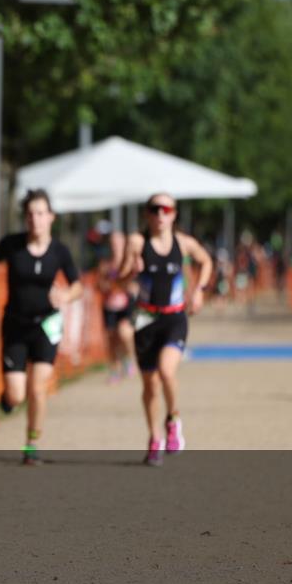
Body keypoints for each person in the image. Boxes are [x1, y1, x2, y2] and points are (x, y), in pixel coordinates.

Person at [0, 189, 83, 465]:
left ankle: (31, 443)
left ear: (51, 217)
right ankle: (9, 399)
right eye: (30, 214)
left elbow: (77, 286)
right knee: (16, 394)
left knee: (38, 389)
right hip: (15, 325)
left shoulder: (60, 251)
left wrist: (65, 296)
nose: (35, 219)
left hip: (46, 327)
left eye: (40, 213)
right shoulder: (11, 244)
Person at [118, 193, 212, 466]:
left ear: (174, 214)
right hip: (145, 318)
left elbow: (205, 261)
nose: (161, 214)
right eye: (155, 209)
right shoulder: (137, 242)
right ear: (147, 214)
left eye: (166, 209)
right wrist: (131, 273)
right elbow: (120, 282)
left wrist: (199, 291)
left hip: (174, 317)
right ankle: (154, 438)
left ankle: (173, 419)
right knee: (149, 385)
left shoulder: (182, 243)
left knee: (166, 371)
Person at [97, 229, 136, 383]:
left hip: (126, 304)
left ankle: (128, 358)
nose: (115, 246)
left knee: (125, 333)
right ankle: (115, 370)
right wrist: (106, 285)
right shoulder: (105, 264)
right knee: (112, 340)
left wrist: (129, 286)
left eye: (118, 242)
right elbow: (99, 284)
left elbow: (135, 282)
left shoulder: (130, 262)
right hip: (110, 305)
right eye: (113, 243)